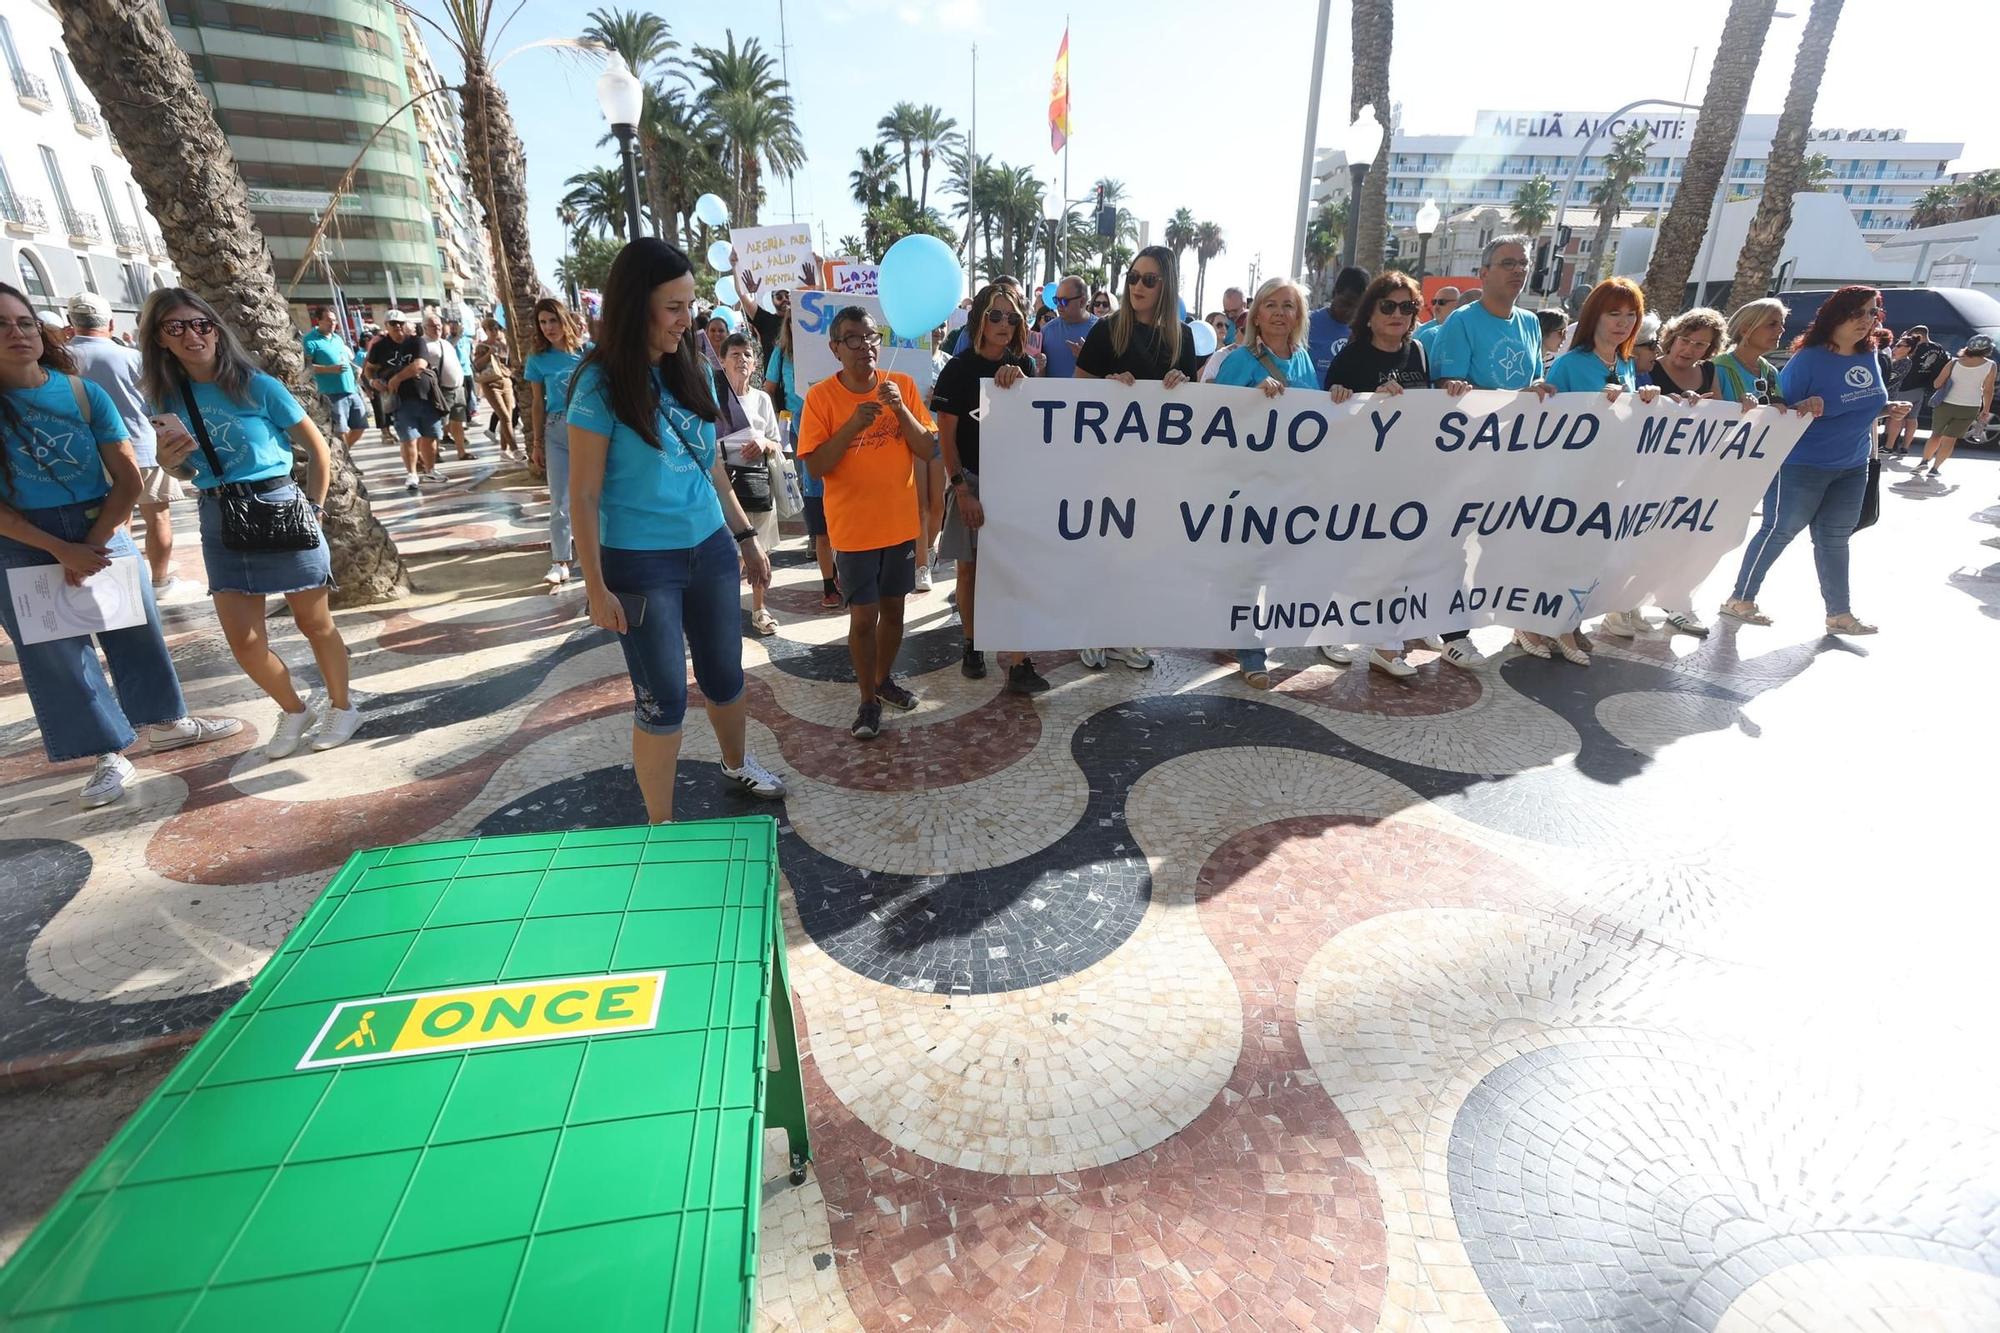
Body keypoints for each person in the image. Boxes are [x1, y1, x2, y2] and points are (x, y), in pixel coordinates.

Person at [564, 238, 786, 819]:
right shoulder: (598, 384)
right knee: (661, 697)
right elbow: (582, 494)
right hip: (640, 563)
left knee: (724, 672)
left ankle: (737, 765)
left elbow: (710, 467)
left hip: (709, 548)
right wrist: (594, 587)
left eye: (690, 306)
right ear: (636, 304)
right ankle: (660, 827)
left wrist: (744, 537)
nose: (687, 320)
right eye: (673, 307)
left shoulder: (694, 370)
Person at [0, 283, 241, 807]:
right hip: (20, 540)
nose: (16, 333)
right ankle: (107, 751)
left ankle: (166, 720)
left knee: (135, 627)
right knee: (56, 654)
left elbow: (129, 479)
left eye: (23, 321)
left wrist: (90, 541)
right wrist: (60, 550)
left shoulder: (83, 392)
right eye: (1, 325)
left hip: (99, 524)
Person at [141, 288, 363, 755]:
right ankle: (294, 710)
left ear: (216, 331)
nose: (192, 335)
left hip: (278, 504)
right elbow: (185, 472)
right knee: (243, 641)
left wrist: (317, 509)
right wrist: (169, 462)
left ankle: (343, 708)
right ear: (160, 339)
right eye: (175, 327)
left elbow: (317, 450)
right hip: (220, 514)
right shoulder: (165, 397)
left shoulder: (256, 385)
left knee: (314, 622)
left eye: (200, 324)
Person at [1723, 285, 1904, 635]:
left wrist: (1886, 409)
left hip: (1852, 466)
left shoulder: (1870, 354)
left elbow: (1858, 403)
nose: (1867, 320)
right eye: (1859, 312)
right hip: (1801, 465)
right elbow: (1777, 410)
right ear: (1836, 316)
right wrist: (1801, 407)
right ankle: (1739, 599)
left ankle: (1839, 613)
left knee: (1836, 539)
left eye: (1873, 312)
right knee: (1779, 531)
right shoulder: (1808, 359)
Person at [800, 307, 939, 740]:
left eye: (871, 336)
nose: (865, 346)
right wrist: (850, 427)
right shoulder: (820, 398)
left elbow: (928, 449)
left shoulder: (904, 388)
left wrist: (900, 411)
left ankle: (883, 681)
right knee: (864, 618)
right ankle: (866, 701)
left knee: (895, 611)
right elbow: (817, 467)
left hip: (898, 526)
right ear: (835, 348)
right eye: (854, 339)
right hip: (854, 529)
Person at [1322, 271, 1466, 680]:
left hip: (1411, 475)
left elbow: (1428, 409)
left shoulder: (1418, 352)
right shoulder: (1351, 358)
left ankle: (1388, 643)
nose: (1398, 314)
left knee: (1401, 560)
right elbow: (1330, 421)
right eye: (1388, 306)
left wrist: (1448, 391)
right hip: (1364, 479)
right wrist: (1365, 403)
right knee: (1357, 558)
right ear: (1369, 314)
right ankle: (1335, 628)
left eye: (1407, 306)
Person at [1427, 234, 1559, 670]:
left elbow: (1534, 381)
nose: (1518, 270)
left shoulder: (1529, 323)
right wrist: (1510, 396)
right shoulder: (1461, 322)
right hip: (1467, 457)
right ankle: (1454, 634)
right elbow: (1452, 394)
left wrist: (1536, 393)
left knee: (1502, 540)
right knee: (1455, 544)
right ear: (1483, 273)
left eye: (1522, 262)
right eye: (1507, 263)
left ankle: (1507, 616)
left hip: (1515, 455)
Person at [1073, 244, 1199, 673]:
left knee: (1139, 553)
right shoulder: (1107, 330)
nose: (1138, 286)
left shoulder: (1180, 337)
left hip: (1155, 467)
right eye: (1132, 277)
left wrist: (1183, 382)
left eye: (1149, 279)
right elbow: (1077, 392)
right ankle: (1092, 632)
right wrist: (1108, 386)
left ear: (1166, 285)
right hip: (1107, 463)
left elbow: (1193, 406)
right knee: (1104, 548)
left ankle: (1125, 633)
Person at [931, 281, 1045, 692]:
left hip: (1012, 484)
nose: (1003, 323)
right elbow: (946, 438)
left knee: (1012, 572)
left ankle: (1019, 662)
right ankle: (972, 644)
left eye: (1012, 317)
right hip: (972, 480)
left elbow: (1034, 428)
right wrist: (962, 490)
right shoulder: (957, 369)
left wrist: (1022, 385)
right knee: (970, 569)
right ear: (979, 318)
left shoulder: (1026, 368)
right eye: (995, 315)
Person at [1543, 280, 1665, 661]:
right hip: (1571, 480)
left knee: (1592, 558)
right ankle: (1553, 626)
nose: (1623, 323)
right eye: (1614, 313)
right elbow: (1546, 420)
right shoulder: (1570, 363)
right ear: (1595, 315)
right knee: (1564, 556)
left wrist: (1647, 398)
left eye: (1631, 315)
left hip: (1611, 479)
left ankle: (1568, 623)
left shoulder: (1626, 364)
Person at [65, 291, 184, 597]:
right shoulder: (133, 357)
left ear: (71, 322)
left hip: (91, 455)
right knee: (157, 515)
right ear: (111, 323)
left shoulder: (62, 359)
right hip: (145, 447)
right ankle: (159, 582)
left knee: (118, 520)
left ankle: (127, 589)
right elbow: (157, 401)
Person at [764, 312, 839, 609]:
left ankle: (839, 567)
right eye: (796, 321)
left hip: (833, 427)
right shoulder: (782, 354)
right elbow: (770, 387)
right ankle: (825, 569)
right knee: (814, 494)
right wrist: (777, 423)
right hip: (797, 424)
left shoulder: (830, 352)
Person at [714, 332, 784, 635]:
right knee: (729, 554)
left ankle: (760, 608)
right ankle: (726, 612)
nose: (741, 360)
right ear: (723, 361)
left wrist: (764, 443)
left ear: (755, 363)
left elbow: (779, 442)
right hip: (724, 486)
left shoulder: (762, 399)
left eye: (746, 355)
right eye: (735, 355)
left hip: (757, 484)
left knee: (760, 549)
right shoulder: (713, 399)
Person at [524, 298, 588, 588]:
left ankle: (598, 554)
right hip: (556, 430)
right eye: (543, 322)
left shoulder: (587, 352)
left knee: (596, 495)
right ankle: (560, 561)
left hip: (589, 428)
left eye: (553, 320)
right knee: (559, 499)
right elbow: (538, 402)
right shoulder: (538, 359)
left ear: (564, 320)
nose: (549, 327)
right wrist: (537, 443)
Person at [361, 310, 442, 494]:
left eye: (400, 322)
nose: (397, 326)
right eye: (393, 323)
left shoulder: (416, 341)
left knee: (430, 436)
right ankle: (412, 473)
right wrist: (373, 381)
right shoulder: (380, 347)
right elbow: (370, 368)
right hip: (400, 400)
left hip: (425, 396)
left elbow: (420, 364)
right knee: (408, 438)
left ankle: (430, 470)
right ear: (386, 326)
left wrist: (396, 378)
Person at [1912, 334, 1994, 481]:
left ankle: (1924, 461)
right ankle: (1935, 469)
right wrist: (1985, 409)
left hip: (1946, 404)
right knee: (1950, 439)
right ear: (1987, 350)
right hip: (1970, 406)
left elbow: (1937, 384)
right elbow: (1988, 390)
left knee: (1936, 435)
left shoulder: (1954, 362)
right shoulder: (1990, 366)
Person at [301, 306, 368, 455]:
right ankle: (345, 459)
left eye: (334, 320)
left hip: (351, 389)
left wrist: (355, 368)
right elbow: (306, 367)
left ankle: (342, 454)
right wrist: (329, 369)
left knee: (361, 425)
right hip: (331, 392)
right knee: (340, 430)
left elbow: (343, 360)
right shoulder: (310, 340)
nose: (333, 323)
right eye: (328, 320)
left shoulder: (337, 338)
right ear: (318, 321)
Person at [1712, 298, 1789, 408]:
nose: (1781, 330)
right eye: (1772, 324)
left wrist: (1798, 408)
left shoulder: (1771, 372)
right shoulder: (1718, 368)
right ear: (1745, 330)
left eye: (1782, 324)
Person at [1887, 324, 1949, 458]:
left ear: (1918, 335)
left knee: (1898, 416)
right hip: (1922, 387)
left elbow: (1902, 361)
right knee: (1912, 418)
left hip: (1906, 386)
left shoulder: (1915, 348)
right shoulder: (1938, 348)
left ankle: (1889, 446)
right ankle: (1905, 447)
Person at [420, 310, 472, 463]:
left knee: (458, 422)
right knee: (438, 424)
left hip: (457, 388)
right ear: (425, 328)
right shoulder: (423, 344)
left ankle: (461, 452)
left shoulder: (445, 343)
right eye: (433, 326)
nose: (437, 329)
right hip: (441, 390)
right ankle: (434, 455)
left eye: (439, 326)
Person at [1306, 265, 1370, 386]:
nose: (1351, 312)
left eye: (1358, 307)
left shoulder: (1365, 332)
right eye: (1346, 303)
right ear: (1334, 293)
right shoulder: (1307, 324)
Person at [472, 317, 517, 459]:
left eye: (496, 328)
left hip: (505, 381)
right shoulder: (482, 346)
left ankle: (504, 450)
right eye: (491, 329)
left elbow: (511, 363)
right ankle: (515, 449)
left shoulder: (504, 345)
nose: (494, 331)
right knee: (504, 416)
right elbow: (477, 365)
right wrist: (489, 354)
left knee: (508, 417)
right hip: (490, 383)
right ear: (485, 331)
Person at [1041, 274, 1098, 382]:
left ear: (1082, 301)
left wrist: (1088, 360)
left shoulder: (1102, 330)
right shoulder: (1046, 331)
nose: (1058, 305)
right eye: (1056, 300)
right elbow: (1036, 379)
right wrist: (1038, 367)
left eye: (1063, 301)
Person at [1881, 333, 1916, 454]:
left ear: (1908, 349)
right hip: (1886, 392)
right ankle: (1886, 442)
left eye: (1900, 346)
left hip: (1890, 394)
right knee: (1889, 421)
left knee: (1895, 418)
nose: (1895, 348)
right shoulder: (1892, 358)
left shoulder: (1905, 362)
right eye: (1896, 345)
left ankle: (1889, 445)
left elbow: (1890, 379)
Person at [1413, 286, 1459, 362]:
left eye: (1442, 302)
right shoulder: (1422, 333)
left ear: (1457, 303)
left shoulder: (1463, 329)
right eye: (1434, 302)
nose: (1436, 306)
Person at [1631, 313, 1662, 386]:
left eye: (1658, 343)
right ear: (1631, 348)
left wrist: (1666, 397)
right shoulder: (1616, 377)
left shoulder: (1644, 375)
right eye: (1652, 344)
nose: (1658, 350)